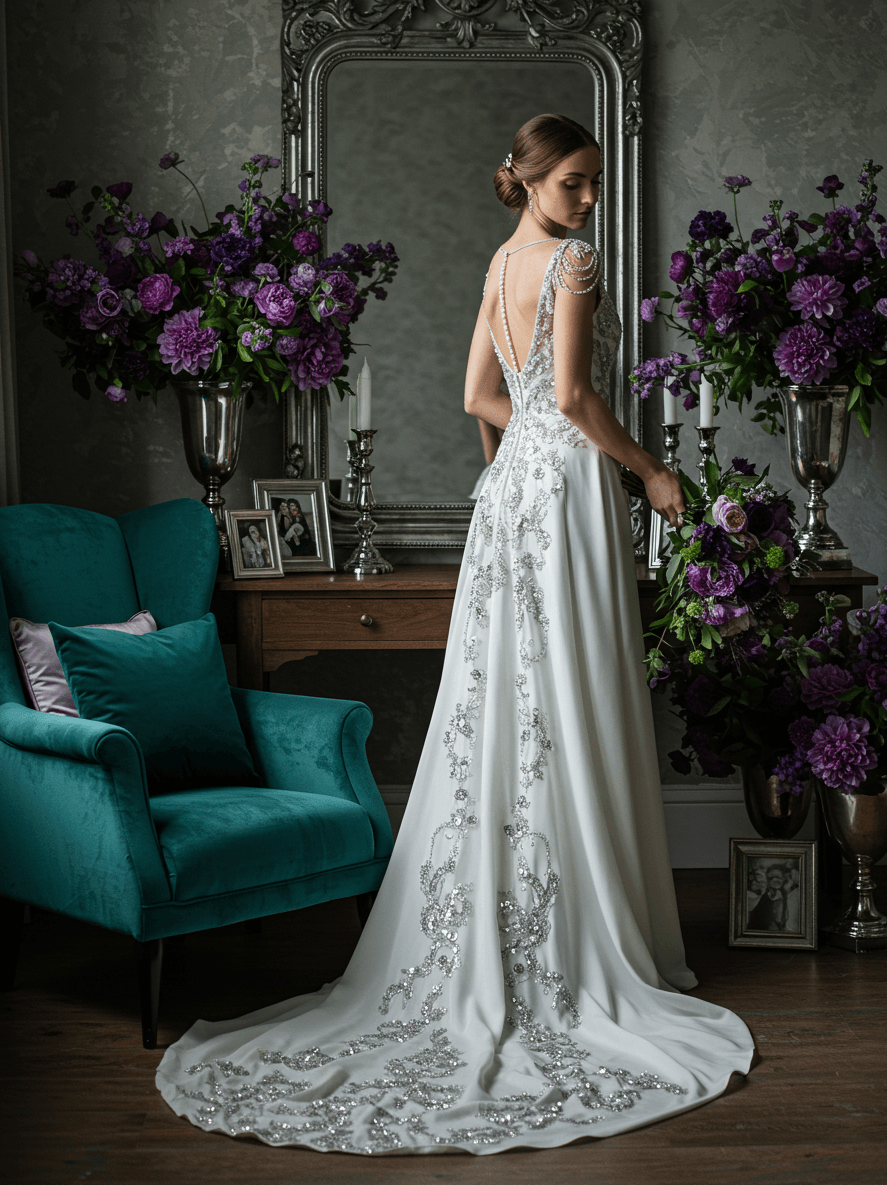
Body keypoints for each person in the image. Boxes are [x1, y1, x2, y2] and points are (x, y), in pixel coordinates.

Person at [157, 113, 754, 1152]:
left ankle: (519, 913)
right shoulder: (570, 261)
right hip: (563, 488)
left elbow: (480, 394)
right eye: (571, 181)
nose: (586, 200)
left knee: (510, 692)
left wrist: (510, 453)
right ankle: (581, 929)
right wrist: (647, 470)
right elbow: (569, 394)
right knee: (561, 686)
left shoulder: (500, 257)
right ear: (525, 180)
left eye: (593, 184)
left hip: (509, 489)